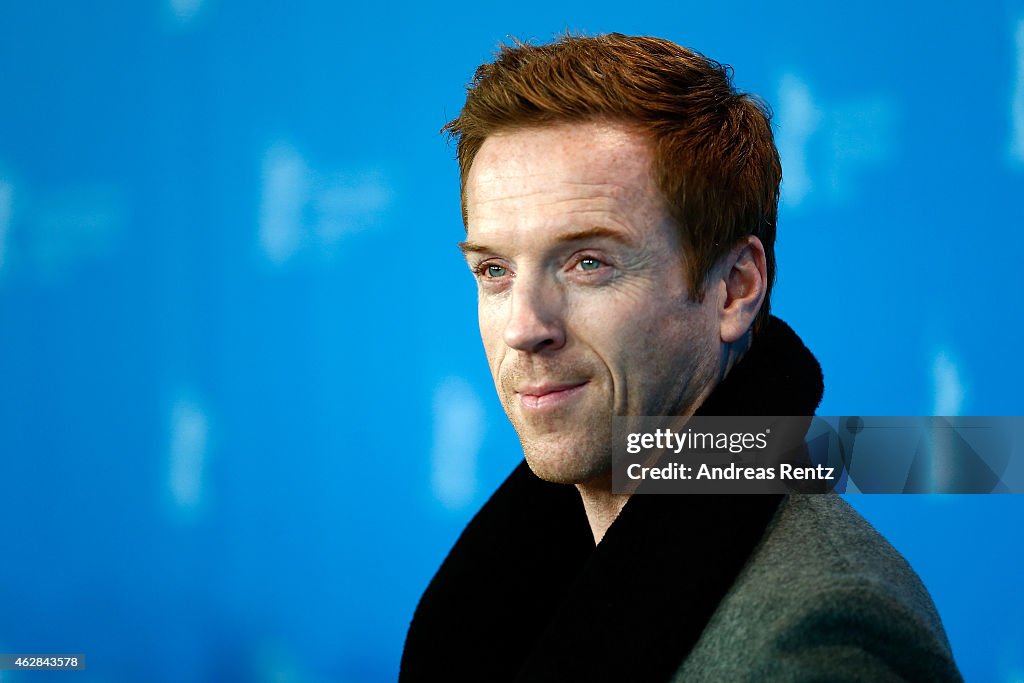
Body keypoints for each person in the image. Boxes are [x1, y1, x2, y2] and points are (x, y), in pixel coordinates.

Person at [401, 33, 962, 681]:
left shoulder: (821, 636)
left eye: (588, 262)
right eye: (495, 270)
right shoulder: (501, 604)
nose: (525, 327)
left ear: (735, 289)